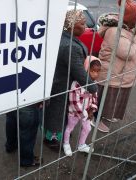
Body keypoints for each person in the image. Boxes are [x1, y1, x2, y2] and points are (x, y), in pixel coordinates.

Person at [44, 9, 98, 151]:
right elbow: (79, 72)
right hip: (63, 85)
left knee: (57, 113)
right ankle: (52, 140)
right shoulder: (71, 46)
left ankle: (57, 135)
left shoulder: (64, 37)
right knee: (57, 114)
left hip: (59, 82)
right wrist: (93, 88)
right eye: (82, 24)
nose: (85, 27)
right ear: (71, 26)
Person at [93, 0, 136, 132]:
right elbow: (128, 53)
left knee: (114, 99)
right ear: (130, 19)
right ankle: (95, 118)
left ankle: (106, 115)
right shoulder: (114, 31)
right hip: (113, 74)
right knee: (106, 99)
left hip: (119, 74)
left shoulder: (125, 28)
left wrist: (135, 34)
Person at [63, 56, 101, 156]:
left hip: (87, 111)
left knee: (87, 128)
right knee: (70, 128)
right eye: (93, 71)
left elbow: (94, 98)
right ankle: (66, 144)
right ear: (86, 69)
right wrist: (83, 113)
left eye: (98, 71)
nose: (95, 74)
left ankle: (81, 144)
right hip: (75, 112)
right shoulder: (76, 84)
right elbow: (74, 101)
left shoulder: (94, 84)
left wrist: (92, 110)